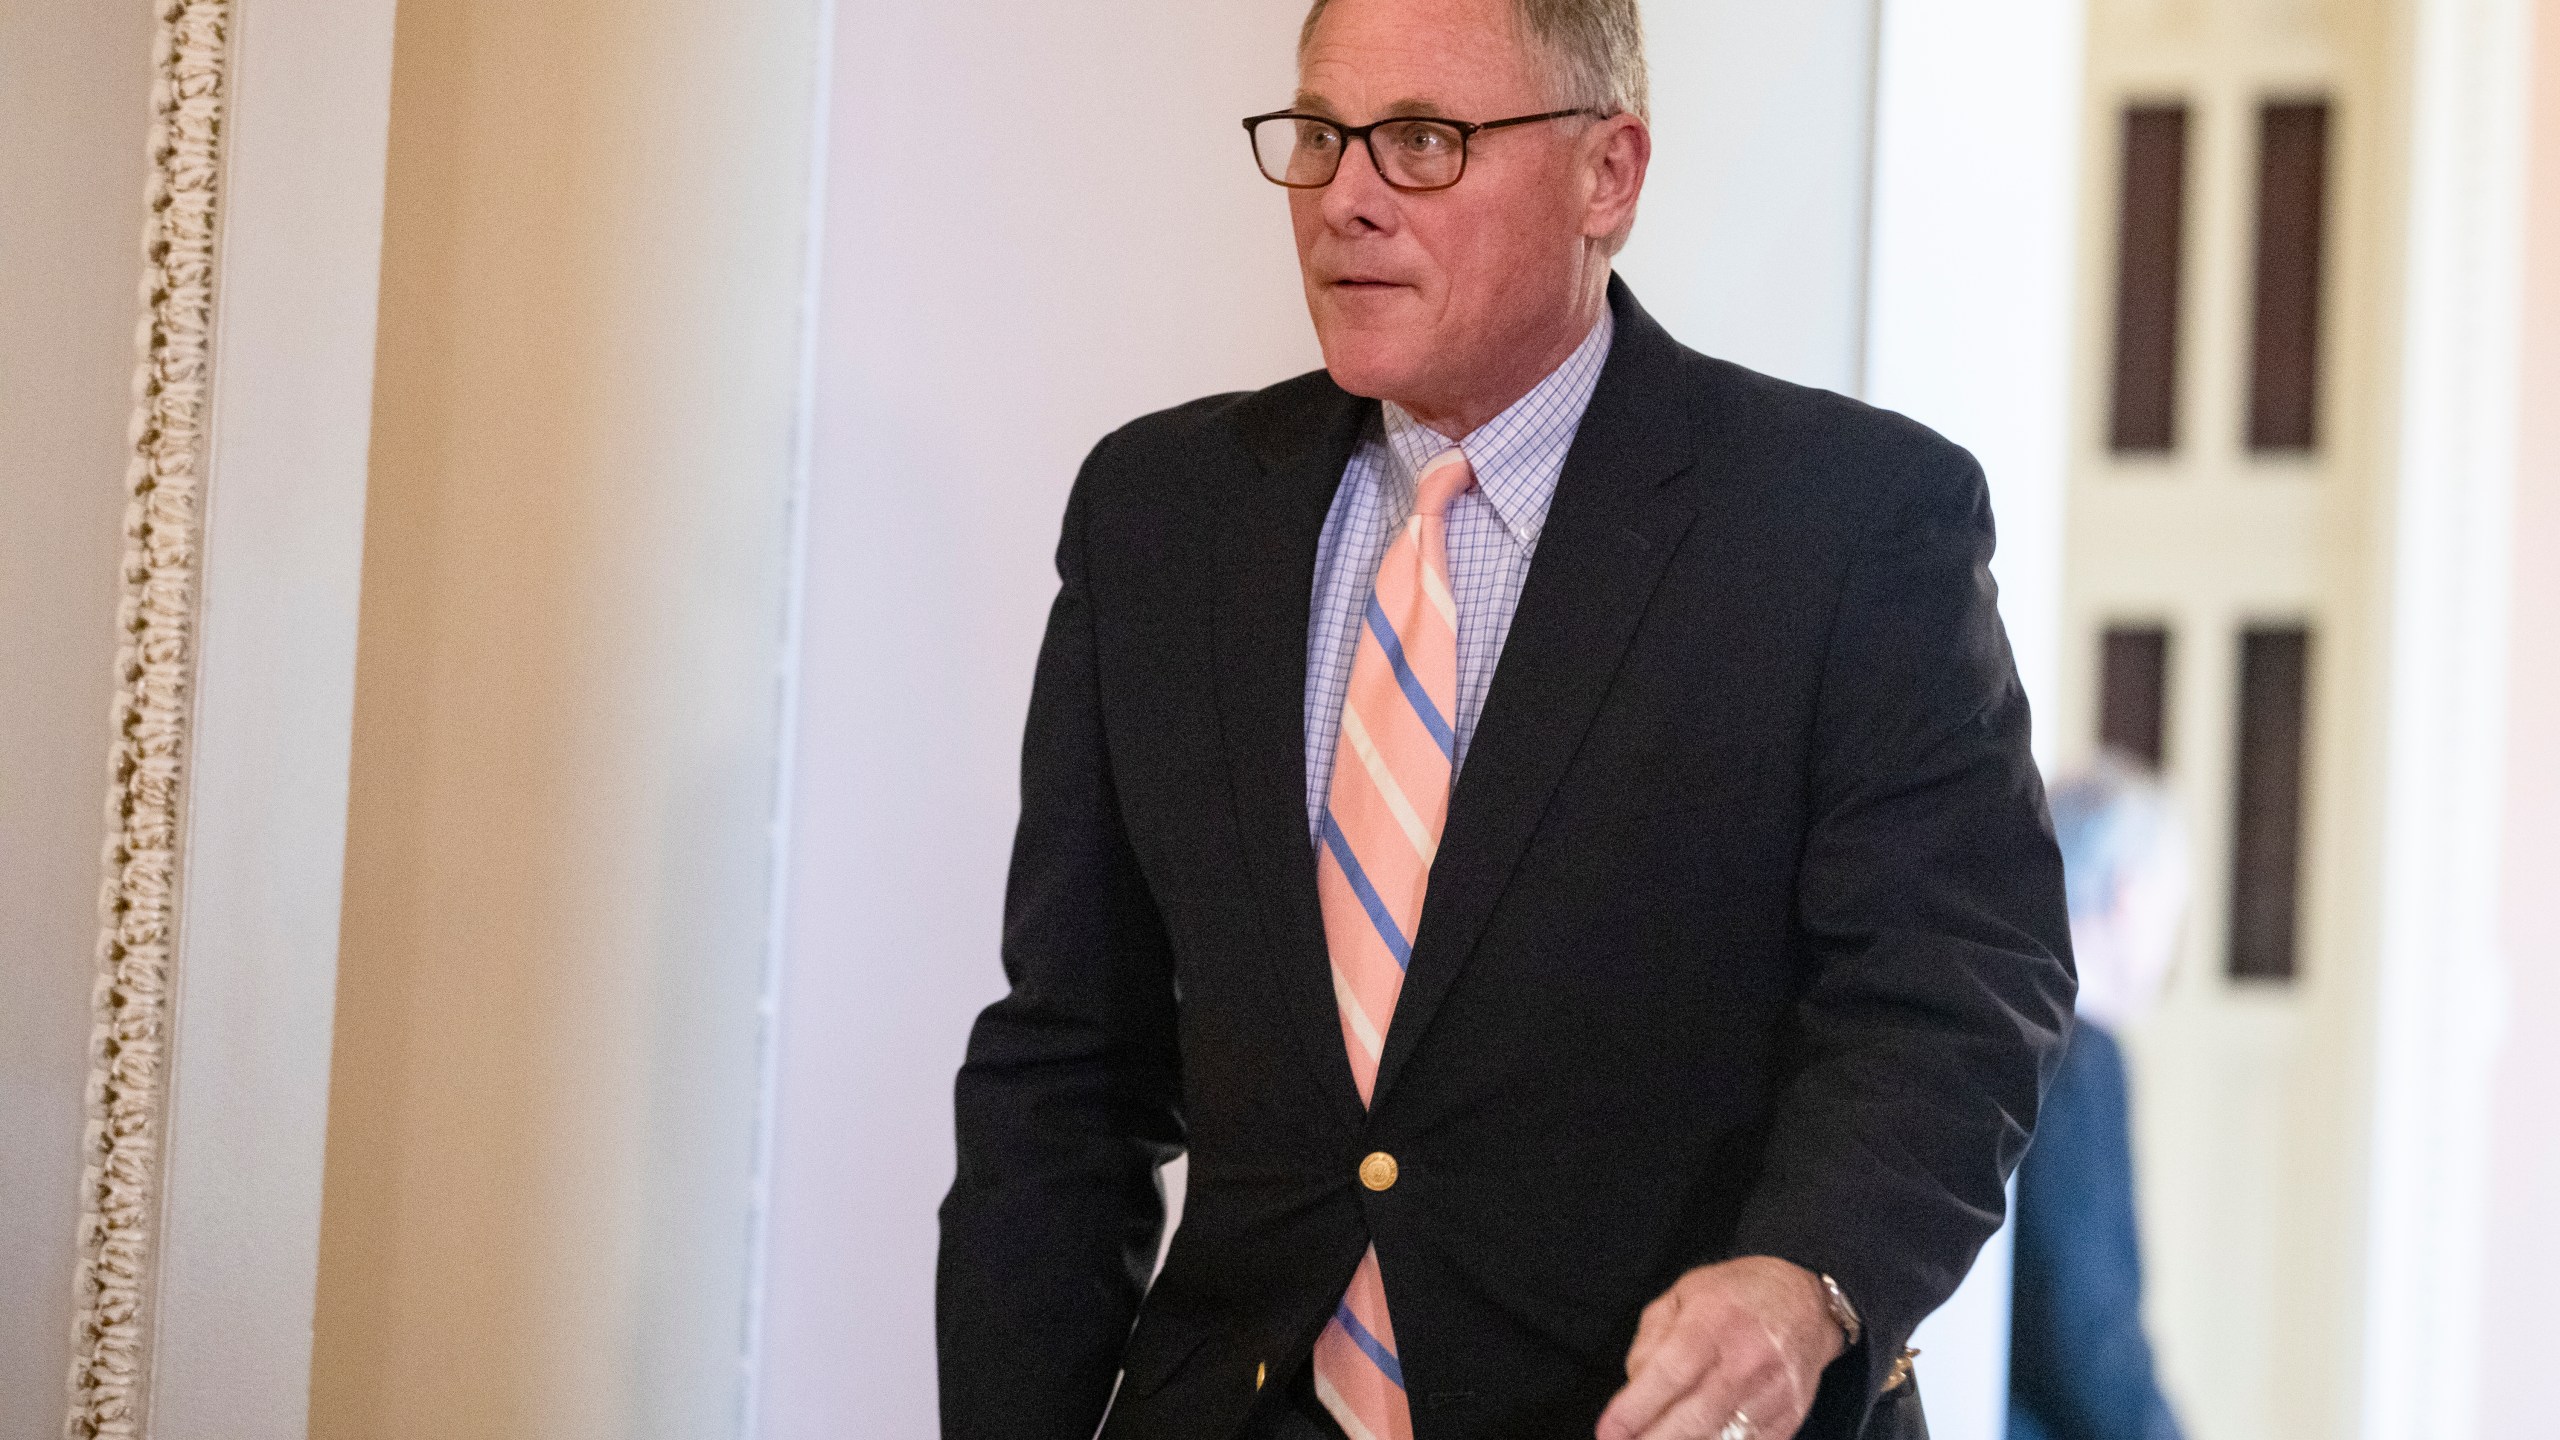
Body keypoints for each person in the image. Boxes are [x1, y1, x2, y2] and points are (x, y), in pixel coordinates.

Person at [937, 1, 2076, 1436]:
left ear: (1610, 173)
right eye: (1320, 136)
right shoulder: (1160, 518)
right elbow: (1069, 1069)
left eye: (1421, 141)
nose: (1346, 196)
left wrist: (1808, 1279)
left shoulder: (1841, 524)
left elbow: (1958, 995)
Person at [2008, 757, 2190, 1440]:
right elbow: (2084, 1326)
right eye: (2175, 908)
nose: (2171, 942)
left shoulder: (2015, 1033)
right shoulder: (2083, 1060)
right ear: (2129, 894)